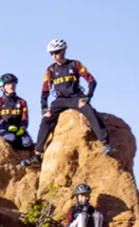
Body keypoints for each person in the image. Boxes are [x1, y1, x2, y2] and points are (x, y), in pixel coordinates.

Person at [21, 39, 114, 167]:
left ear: (64, 51)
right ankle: (37, 155)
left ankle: (105, 143)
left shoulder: (75, 64)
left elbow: (92, 81)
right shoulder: (51, 69)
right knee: (46, 120)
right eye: (51, 53)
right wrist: (44, 108)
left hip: (76, 96)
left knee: (90, 111)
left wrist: (87, 97)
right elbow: (45, 90)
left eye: (57, 52)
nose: (54, 56)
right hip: (60, 100)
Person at [0, 74, 34, 151]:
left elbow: (25, 118)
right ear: (2, 87)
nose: (11, 86)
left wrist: (22, 128)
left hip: (19, 129)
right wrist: (8, 127)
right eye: (8, 84)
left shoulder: (22, 102)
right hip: (4, 129)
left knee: (28, 143)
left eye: (13, 83)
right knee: (12, 138)